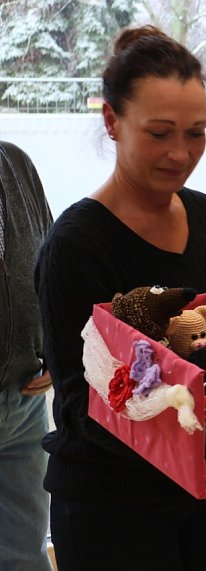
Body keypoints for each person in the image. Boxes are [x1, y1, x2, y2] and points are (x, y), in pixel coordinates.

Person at [35, 26, 206, 571]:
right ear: (112, 121)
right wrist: (180, 422)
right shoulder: (76, 244)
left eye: (196, 132)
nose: (181, 153)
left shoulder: (205, 215)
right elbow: (81, 405)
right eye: (159, 133)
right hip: (113, 504)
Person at [0, 141, 53, 571]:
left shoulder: (14, 161)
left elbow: (50, 264)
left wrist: (54, 341)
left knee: (25, 555)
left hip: (24, 404)